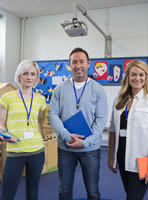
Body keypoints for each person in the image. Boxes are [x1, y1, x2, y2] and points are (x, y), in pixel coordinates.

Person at [49, 47, 108, 200]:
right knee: (64, 191)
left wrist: (86, 142)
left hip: (90, 149)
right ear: (70, 65)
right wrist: (67, 136)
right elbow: (53, 115)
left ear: (88, 63)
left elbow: (101, 120)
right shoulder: (59, 90)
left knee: (93, 191)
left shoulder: (98, 89)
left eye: (81, 61)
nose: (78, 65)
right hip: (65, 149)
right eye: (74, 62)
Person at [108, 60, 148, 200]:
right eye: (133, 74)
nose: (137, 78)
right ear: (127, 76)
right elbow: (113, 131)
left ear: (146, 77)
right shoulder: (119, 101)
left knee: (133, 197)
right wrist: (111, 157)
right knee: (130, 194)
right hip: (122, 157)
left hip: (142, 160)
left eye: (141, 75)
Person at [0, 60, 47, 200]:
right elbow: (2, 125)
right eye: (25, 73)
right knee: (8, 193)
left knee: (33, 192)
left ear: (37, 77)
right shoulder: (6, 98)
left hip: (37, 151)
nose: (29, 77)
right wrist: (3, 135)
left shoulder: (41, 99)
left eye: (33, 74)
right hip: (15, 151)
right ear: (19, 75)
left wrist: (43, 140)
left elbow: (39, 123)